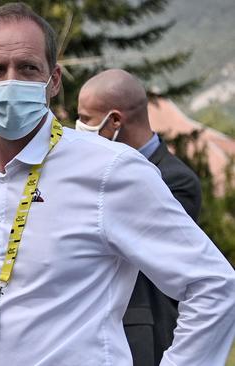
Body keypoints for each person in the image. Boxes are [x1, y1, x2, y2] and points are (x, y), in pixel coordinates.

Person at [0, 3, 235, 365]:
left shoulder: (110, 170)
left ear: (54, 80)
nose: (11, 81)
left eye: (29, 68)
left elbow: (213, 285)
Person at [77, 69, 202, 365]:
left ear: (115, 120)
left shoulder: (175, 180)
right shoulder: (95, 171)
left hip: (140, 337)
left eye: (85, 119)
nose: (78, 127)